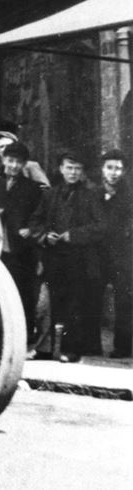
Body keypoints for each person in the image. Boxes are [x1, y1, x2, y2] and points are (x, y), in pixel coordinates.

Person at [27, 149, 104, 362]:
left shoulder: (91, 195)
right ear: (61, 169)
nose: (73, 172)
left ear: (82, 172)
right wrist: (44, 236)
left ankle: (70, 351)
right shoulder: (50, 194)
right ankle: (44, 349)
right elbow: (35, 221)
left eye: (77, 169)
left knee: (74, 305)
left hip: (78, 259)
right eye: (69, 167)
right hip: (52, 257)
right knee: (46, 305)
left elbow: (100, 226)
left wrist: (74, 235)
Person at [0, 141, 44, 347]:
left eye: (18, 162)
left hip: (21, 251)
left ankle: (21, 342)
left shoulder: (32, 188)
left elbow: (40, 216)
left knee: (22, 295)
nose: (14, 166)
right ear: (3, 160)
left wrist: (30, 230)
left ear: (24, 164)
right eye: (10, 160)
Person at [99, 149, 132, 358]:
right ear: (102, 169)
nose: (114, 173)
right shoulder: (93, 192)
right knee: (91, 297)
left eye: (118, 168)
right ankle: (89, 345)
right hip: (97, 253)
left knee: (124, 299)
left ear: (124, 171)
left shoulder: (129, 195)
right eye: (110, 168)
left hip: (122, 253)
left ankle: (123, 346)